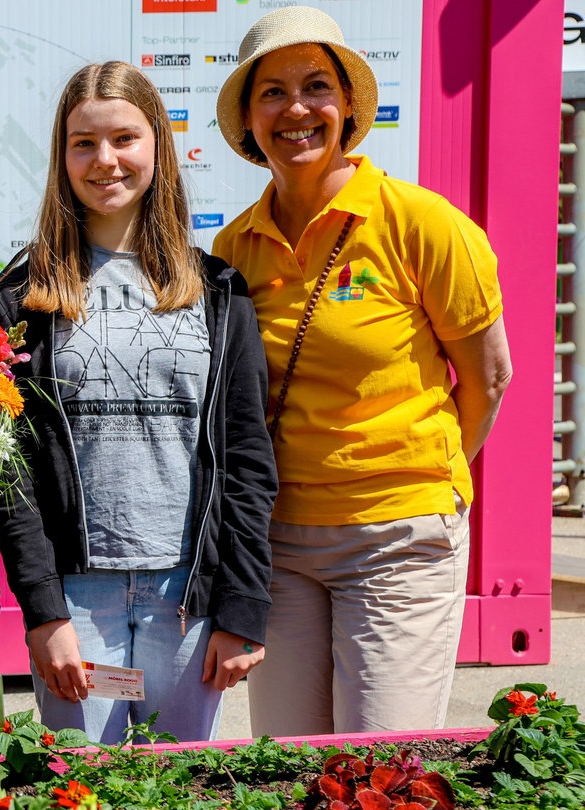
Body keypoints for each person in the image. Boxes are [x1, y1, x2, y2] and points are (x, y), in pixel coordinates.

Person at [212, 6, 512, 736]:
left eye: (317, 85)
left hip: (397, 539)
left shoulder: (421, 223)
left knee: (381, 765)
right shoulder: (233, 248)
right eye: (271, 92)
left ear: (347, 106)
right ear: (250, 120)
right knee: (289, 764)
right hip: (279, 545)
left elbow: (489, 378)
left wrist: (422, 480)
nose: (296, 109)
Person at [0, 62, 277, 744]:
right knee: (78, 786)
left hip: (188, 597)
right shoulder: (19, 295)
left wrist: (242, 608)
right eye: (84, 142)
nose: (105, 160)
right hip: (77, 601)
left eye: (124, 138)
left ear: (158, 148)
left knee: (175, 784)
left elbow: (248, 460)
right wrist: (42, 611)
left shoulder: (219, 291)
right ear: (62, 155)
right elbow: (11, 473)